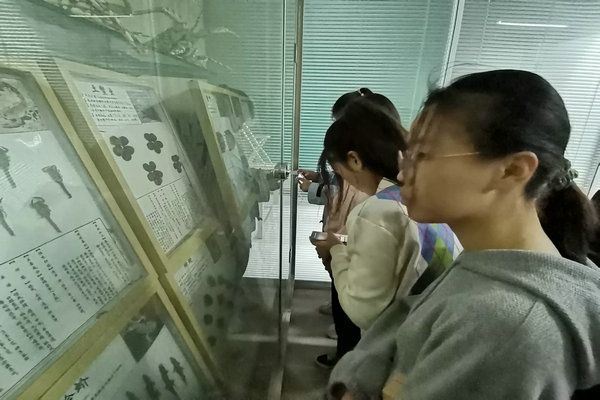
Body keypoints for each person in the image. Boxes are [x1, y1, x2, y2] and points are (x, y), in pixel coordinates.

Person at [328, 70, 600, 400]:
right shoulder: (487, 264)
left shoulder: (503, 326)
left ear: (512, 170)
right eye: (407, 154)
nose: (402, 171)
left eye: (422, 155)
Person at [312, 96, 460, 333]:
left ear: (354, 160)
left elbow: (362, 311)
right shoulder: (425, 197)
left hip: (404, 338)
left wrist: (335, 251)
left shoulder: (376, 211)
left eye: (338, 170)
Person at [298, 89, 374, 368]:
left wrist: (316, 187)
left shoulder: (374, 189)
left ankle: (346, 347)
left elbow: (345, 195)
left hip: (344, 244)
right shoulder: (360, 158)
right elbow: (340, 184)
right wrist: (321, 178)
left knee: (347, 302)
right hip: (340, 241)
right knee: (339, 286)